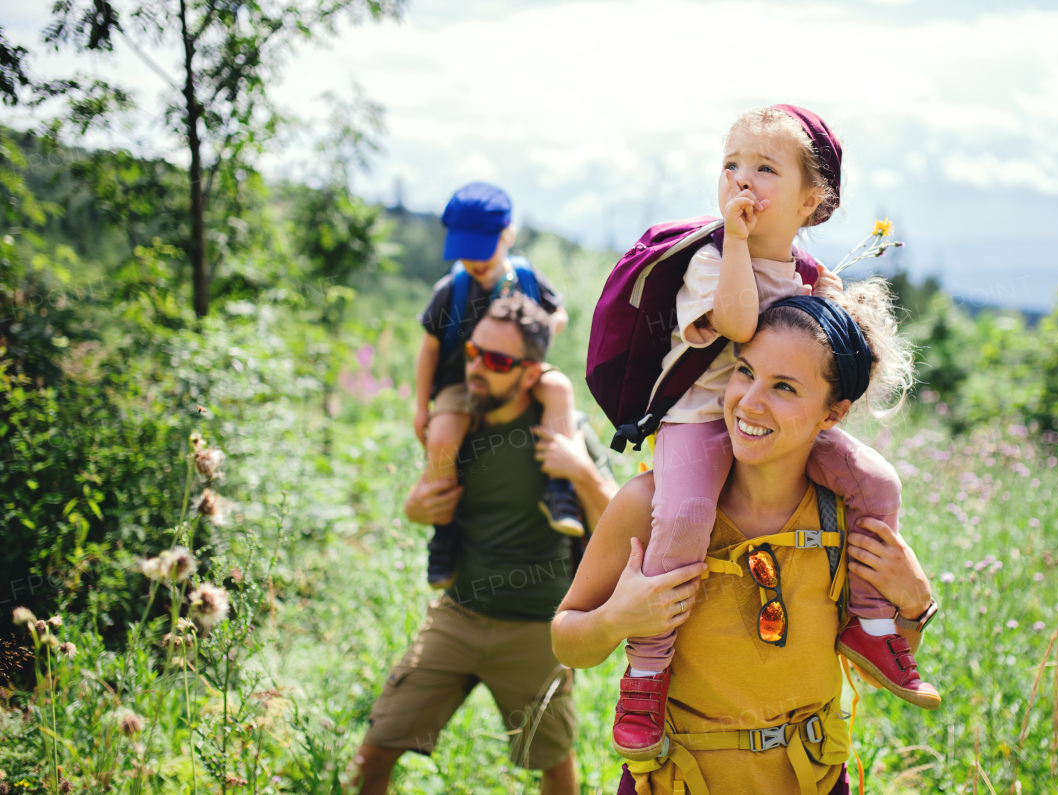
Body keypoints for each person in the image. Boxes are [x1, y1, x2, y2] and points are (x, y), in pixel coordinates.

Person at [604, 105, 938, 761]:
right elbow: (735, 322)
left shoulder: (810, 275)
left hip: (773, 430)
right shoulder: (708, 259)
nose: (741, 181)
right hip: (701, 418)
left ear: (812, 201)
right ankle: (646, 672)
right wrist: (733, 241)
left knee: (876, 481)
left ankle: (869, 621)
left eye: (763, 168)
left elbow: (831, 363)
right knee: (688, 512)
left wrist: (830, 306)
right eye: (730, 165)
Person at [552, 290, 939, 794]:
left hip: (813, 781)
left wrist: (914, 606)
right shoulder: (651, 503)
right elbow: (567, 641)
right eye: (745, 371)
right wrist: (615, 620)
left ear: (833, 414)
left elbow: (871, 666)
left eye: (784, 387)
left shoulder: (847, 517)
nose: (749, 402)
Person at [352, 295, 620, 795]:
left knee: (553, 764)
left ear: (530, 374)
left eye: (497, 361)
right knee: (373, 753)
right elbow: (419, 503)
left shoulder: (564, 430)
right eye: (475, 352)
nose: (476, 368)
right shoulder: (457, 428)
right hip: (458, 616)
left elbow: (619, 526)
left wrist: (580, 471)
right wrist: (416, 508)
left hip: (538, 630)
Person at [414, 182, 584, 590]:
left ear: (507, 235)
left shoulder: (524, 278)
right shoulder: (451, 291)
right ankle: (445, 530)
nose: (474, 260)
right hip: (463, 380)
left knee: (558, 388)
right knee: (442, 437)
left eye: (482, 248)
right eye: (465, 251)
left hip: (519, 370)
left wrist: (536, 333)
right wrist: (423, 406)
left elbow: (557, 314)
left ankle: (560, 489)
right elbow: (430, 350)